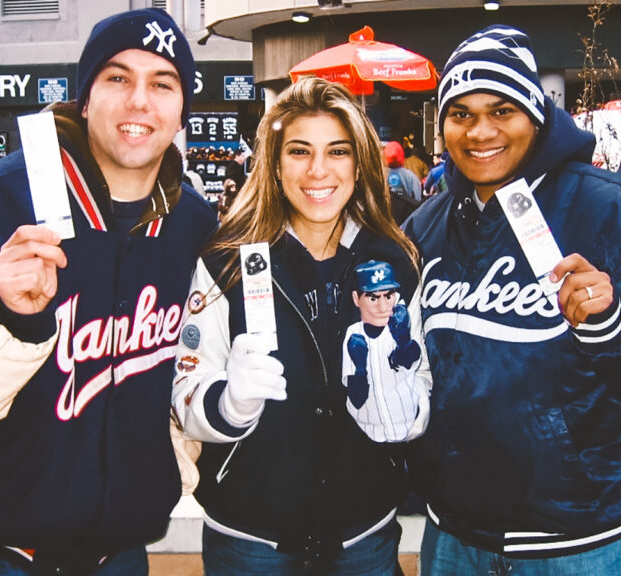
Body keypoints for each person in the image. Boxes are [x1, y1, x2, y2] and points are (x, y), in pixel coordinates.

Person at [404, 25, 621, 576]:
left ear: (536, 116)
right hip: (453, 541)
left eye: (502, 111)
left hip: (580, 547)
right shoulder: (425, 227)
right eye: (462, 114)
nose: (480, 132)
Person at [0, 9, 216, 575]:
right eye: (117, 78)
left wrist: (172, 462)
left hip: (118, 552)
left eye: (162, 83)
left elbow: (189, 369)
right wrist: (4, 315)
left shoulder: (193, 224)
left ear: (182, 108)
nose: (139, 100)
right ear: (85, 97)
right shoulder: (2, 198)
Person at [171, 77, 430, 575]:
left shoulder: (393, 260)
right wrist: (228, 403)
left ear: (359, 163)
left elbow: (420, 379)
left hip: (364, 534)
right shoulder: (226, 261)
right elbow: (186, 384)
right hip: (250, 537)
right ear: (273, 162)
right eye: (298, 151)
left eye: (337, 151)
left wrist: (401, 407)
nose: (318, 170)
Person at [342, 260, 423, 443]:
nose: (382, 306)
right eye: (373, 298)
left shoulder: (400, 325)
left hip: (411, 433)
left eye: (388, 296)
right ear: (356, 299)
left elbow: (411, 362)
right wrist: (360, 369)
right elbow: (356, 399)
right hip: (367, 438)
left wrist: (403, 341)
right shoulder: (353, 334)